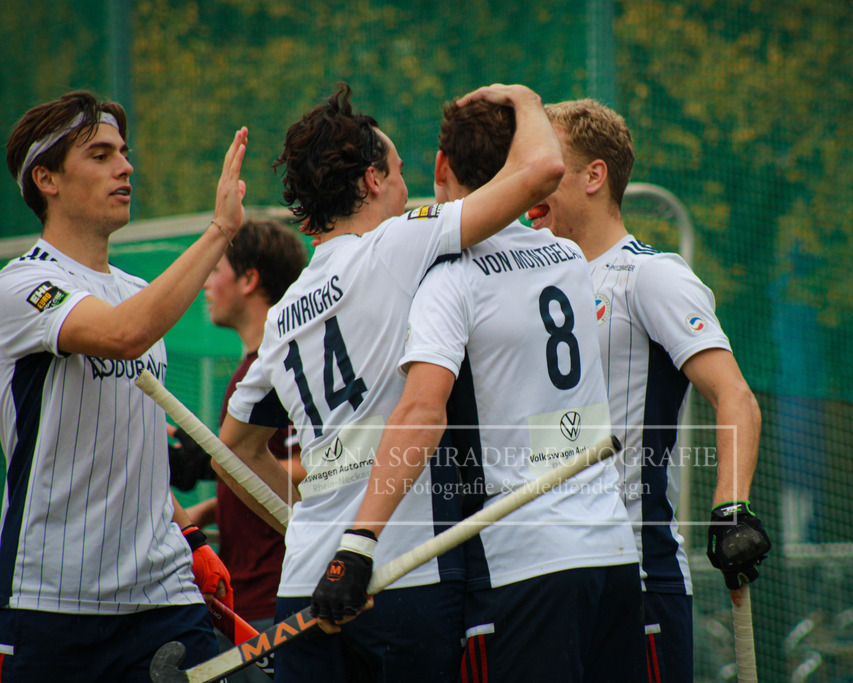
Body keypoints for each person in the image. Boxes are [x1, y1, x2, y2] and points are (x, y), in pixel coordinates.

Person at [216, 82, 565, 682]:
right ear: (373, 180)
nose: (408, 188)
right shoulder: (397, 243)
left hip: (304, 580)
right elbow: (541, 171)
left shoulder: (283, 313)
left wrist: (305, 518)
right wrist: (528, 102)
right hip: (400, 573)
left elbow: (235, 448)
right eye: (399, 172)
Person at [327, 97, 646, 682]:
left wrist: (358, 541)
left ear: (442, 164)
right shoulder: (568, 255)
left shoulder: (452, 278)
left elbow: (423, 410)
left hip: (530, 565)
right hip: (613, 552)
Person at [0, 90, 246, 680]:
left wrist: (186, 532)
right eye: (101, 154)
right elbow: (122, 335)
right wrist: (219, 231)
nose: (126, 166)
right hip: (51, 601)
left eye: (125, 152)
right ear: (47, 178)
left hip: (164, 597)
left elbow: (130, 449)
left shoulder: (138, 291)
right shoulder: (22, 285)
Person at [529, 98, 771, 681]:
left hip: (638, 574)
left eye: (549, 164)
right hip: (545, 575)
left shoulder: (651, 275)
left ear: (594, 175)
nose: (533, 179)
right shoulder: (525, 282)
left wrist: (730, 509)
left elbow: (735, 395)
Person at [172, 218, 308, 682]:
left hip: (276, 598)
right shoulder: (253, 372)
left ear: (249, 280)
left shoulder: (285, 367)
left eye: (217, 269)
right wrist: (213, 508)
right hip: (251, 597)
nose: (207, 282)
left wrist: (225, 468)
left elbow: (325, 462)